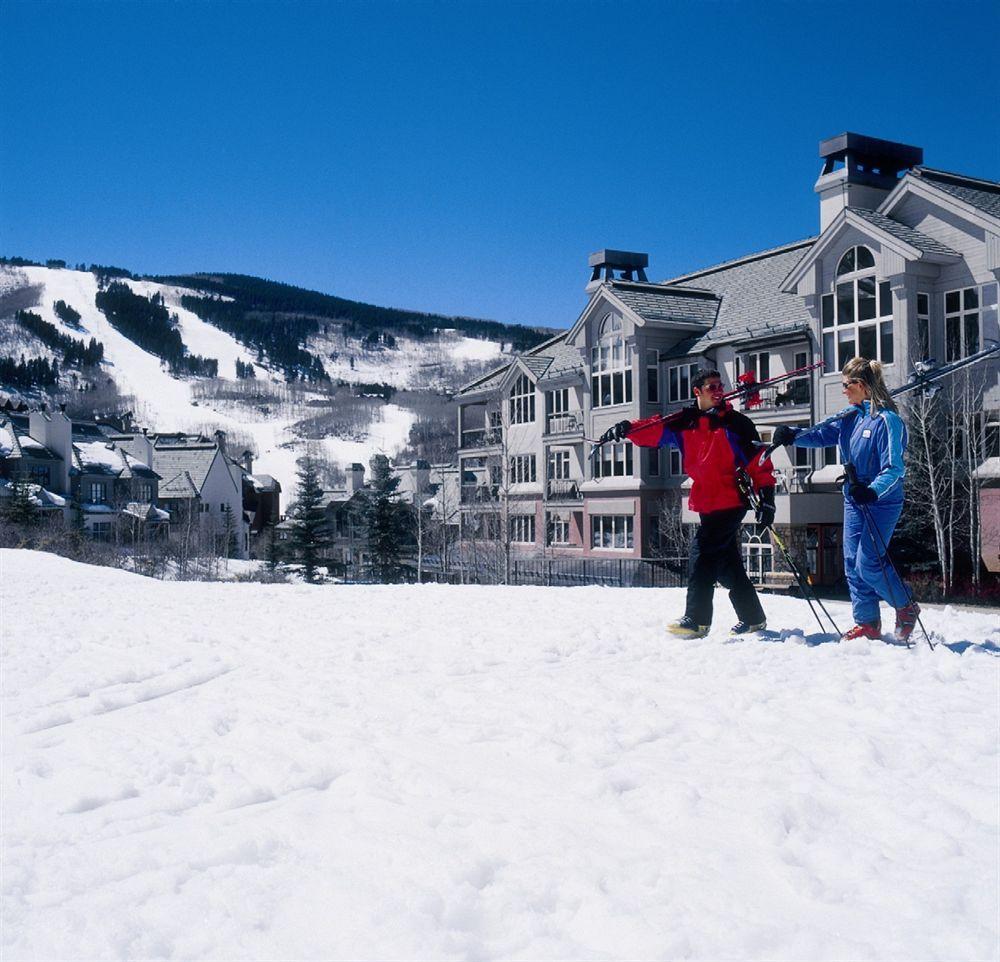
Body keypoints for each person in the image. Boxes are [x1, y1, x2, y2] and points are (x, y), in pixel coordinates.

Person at [598, 369, 776, 638]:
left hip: (732, 499)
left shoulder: (737, 423)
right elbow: (653, 429)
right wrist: (626, 428)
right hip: (707, 500)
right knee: (727, 565)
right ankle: (753, 619)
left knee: (701, 554)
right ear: (697, 391)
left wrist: (768, 499)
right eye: (711, 386)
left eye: (720, 386)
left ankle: (697, 620)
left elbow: (759, 462)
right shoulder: (684, 422)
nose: (718, 390)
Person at [772, 356, 920, 642]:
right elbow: (820, 435)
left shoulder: (887, 421)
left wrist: (873, 490)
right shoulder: (850, 417)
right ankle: (867, 622)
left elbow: (894, 468)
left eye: (846, 385)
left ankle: (905, 606)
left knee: (869, 562)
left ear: (861, 385)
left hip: (881, 500)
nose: (843, 390)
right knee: (852, 561)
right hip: (854, 498)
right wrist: (792, 435)